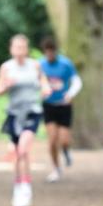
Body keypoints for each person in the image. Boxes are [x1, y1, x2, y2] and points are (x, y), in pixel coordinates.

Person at [0, 34, 50, 206]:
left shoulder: (35, 65)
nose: (19, 50)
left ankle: (25, 188)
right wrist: (6, 85)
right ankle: (19, 185)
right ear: (11, 49)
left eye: (22, 47)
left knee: (24, 148)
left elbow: (44, 82)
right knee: (19, 153)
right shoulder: (6, 68)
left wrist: (46, 89)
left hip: (32, 112)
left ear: (27, 49)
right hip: (14, 114)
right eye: (16, 47)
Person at [39, 37, 82, 182]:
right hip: (49, 105)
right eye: (47, 52)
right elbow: (36, 81)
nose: (49, 55)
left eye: (52, 52)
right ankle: (56, 169)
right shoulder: (40, 65)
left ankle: (66, 150)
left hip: (64, 105)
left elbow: (77, 81)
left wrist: (70, 94)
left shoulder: (65, 64)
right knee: (52, 140)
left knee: (64, 140)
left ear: (55, 51)